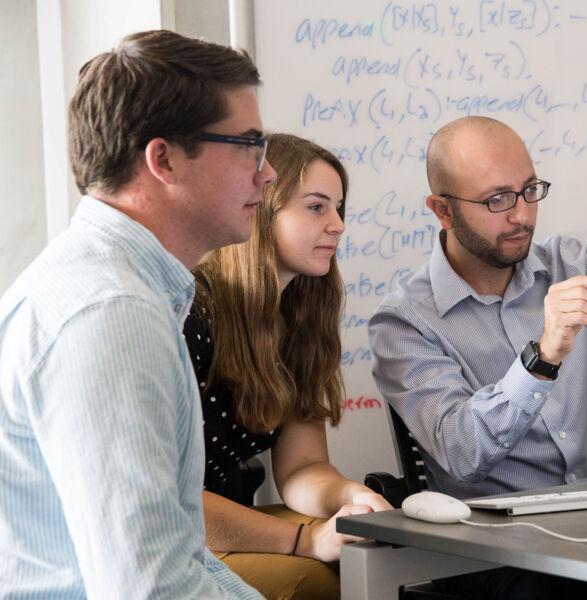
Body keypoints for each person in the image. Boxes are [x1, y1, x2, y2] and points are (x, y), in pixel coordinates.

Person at [0, 30, 276, 598]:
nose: (267, 173)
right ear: (164, 159)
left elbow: (177, 560)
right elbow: (149, 589)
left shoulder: (122, 290)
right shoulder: (112, 314)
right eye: (250, 144)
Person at [368, 116, 587, 599]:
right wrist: (542, 355)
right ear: (442, 211)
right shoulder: (404, 322)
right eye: (497, 199)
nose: (522, 216)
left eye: (529, 190)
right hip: (500, 540)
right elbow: (460, 450)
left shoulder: (569, 266)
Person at [184, 133, 392, 600]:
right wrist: (307, 540)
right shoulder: (190, 313)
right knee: (316, 580)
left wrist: (349, 498)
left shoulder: (300, 320)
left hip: (223, 518)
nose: (337, 225)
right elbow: (171, 498)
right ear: (259, 208)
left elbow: (303, 467)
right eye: (317, 207)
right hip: (174, 528)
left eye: (339, 208)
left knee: (371, 554)